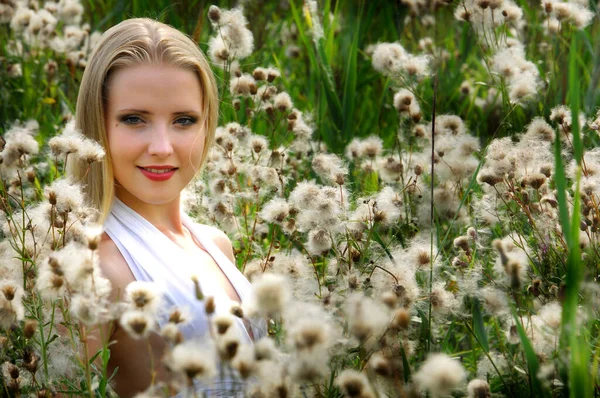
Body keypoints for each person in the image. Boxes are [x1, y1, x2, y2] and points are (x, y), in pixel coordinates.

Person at [69, 18, 263, 397]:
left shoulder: (215, 245)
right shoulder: (91, 268)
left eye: (183, 120)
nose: (161, 146)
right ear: (98, 126)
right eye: (134, 119)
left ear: (206, 126)